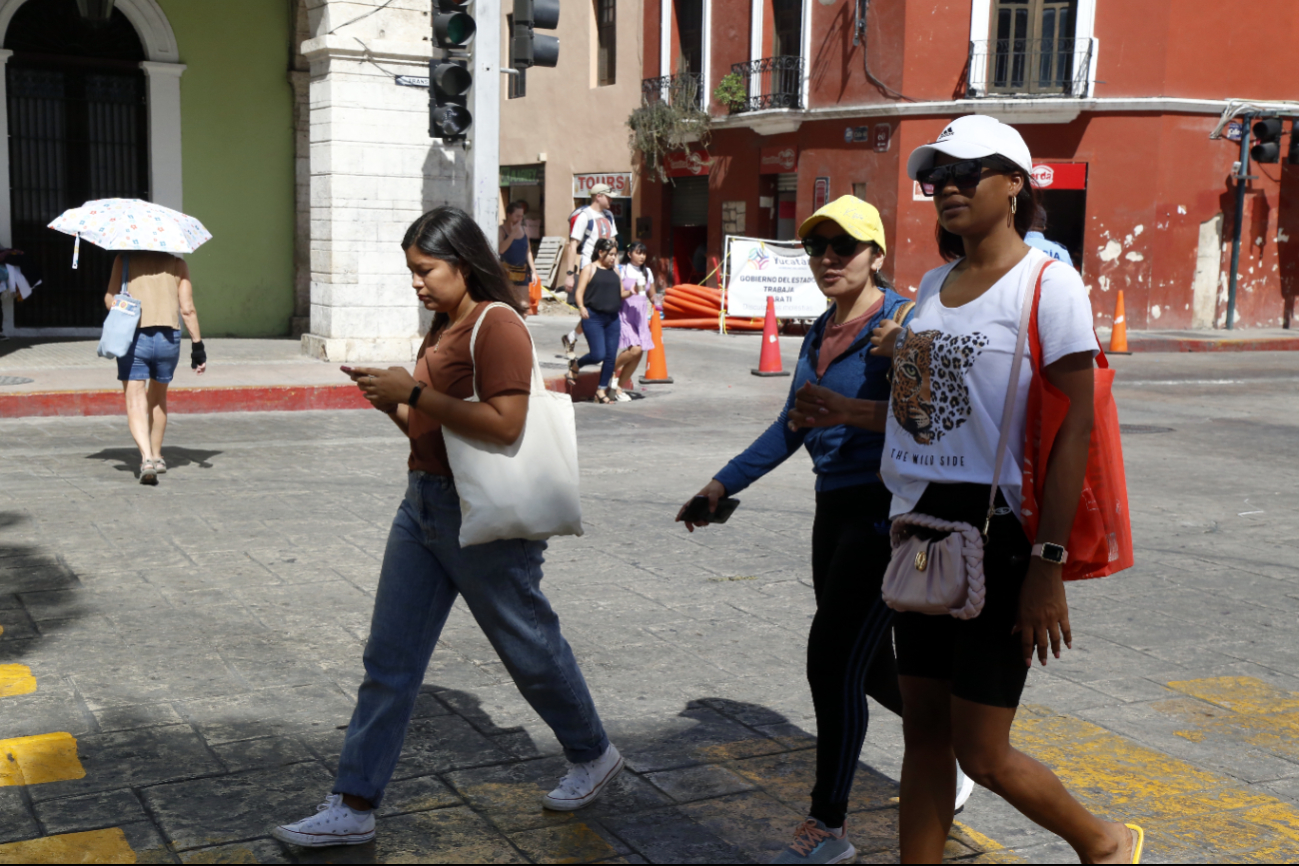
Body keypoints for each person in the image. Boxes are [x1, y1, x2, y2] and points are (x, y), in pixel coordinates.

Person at [272, 206, 622, 849]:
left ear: (463, 262)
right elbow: (430, 432)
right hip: (423, 505)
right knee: (389, 660)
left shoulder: (499, 326)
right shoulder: (441, 328)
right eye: (411, 271)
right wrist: (394, 403)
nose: (416, 283)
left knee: (529, 647)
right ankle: (353, 803)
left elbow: (505, 424)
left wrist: (414, 394)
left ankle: (593, 753)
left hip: (483, 514)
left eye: (425, 269)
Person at [873, 115, 1141, 864]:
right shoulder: (930, 285)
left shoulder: (1049, 285)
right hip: (920, 526)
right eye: (938, 176)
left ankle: (1103, 843)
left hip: (1002, 534)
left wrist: (1047, 566)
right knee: (922, 731)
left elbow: (1072, 432)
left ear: (1015, 183)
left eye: (968, 172)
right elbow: (924, 415)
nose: (947, 187)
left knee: (982, 752)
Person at [678, 196, 969, 866]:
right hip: (831, 511)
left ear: (876, 255)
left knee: (830, 660)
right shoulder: (820, 328)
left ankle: (828, 827)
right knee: (865, 669)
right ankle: (952, 748)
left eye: (844, 247)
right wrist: (720, 484)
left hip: (883, 512)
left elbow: (932, 421)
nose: (829, 259)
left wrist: (852, 405)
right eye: (817, 248)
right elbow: (793, 423)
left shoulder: (901, 321)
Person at [103, 251, 206, 485]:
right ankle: (158, 456)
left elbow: (109, 300)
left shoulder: (123, 260)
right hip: (168, 338)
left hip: (134, 335)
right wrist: (198, 347)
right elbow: (187, 309)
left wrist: (122, 301)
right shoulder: (178, 264)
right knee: (158, 398)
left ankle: (146, 459)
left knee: (135, 400)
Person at [560, 184, 617, 358]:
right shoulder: (585, 216)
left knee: (602, 308)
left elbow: (613, 241)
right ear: (598, 196)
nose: (611, 199)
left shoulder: (609, 215)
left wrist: (617, 268)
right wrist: (570, 275)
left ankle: (572, 336)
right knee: (594, 308)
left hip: (608, 267)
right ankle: (598, 350)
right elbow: (573, 245)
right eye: (608, 196)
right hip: (590, 267)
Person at [570, 238, 629, 404]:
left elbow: (621, 293)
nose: (613, 258)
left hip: (612, 318)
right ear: (600, 252)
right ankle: (576, 365)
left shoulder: (616, 271)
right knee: (598, 354)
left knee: (610, 357)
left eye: (615, 255)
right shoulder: (589, 269)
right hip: (593, 317)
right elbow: (579, 292)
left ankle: (601, 390)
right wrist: (581, 307)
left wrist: (631, 292)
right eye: (610, 254)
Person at [611, 242, 656, 401]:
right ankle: (610, 369)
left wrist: (658, 300)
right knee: (635, 349)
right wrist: (631, 292)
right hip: (625, 313)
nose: (642, 256)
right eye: (638, 253)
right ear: (629, 254)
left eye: (644, 253)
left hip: (641, 315)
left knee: (639, 353)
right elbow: (617, 294)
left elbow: (652, 295)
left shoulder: (647, 272)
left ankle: (619, 387)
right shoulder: (621, 270)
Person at [499, 199, 537, 307]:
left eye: (521, 216)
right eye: (517, 216)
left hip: (521, 272)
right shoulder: (501, 230)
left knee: (524, 306)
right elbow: (501, 249)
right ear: (509, 215)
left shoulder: (524, 230)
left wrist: (534, 271)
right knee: (510, 305)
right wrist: (512, 234)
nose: (520, 219)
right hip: (507, 273)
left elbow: (528, 251)